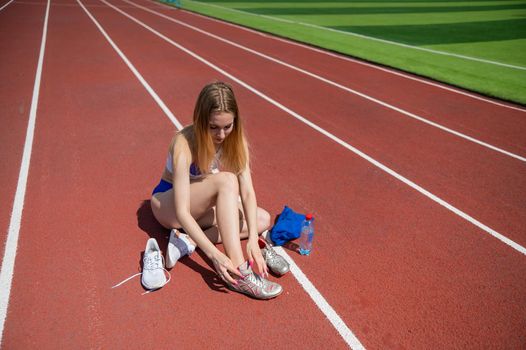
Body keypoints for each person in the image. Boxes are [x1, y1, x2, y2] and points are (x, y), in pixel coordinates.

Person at [150, 81, 287, 299]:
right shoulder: (183, 143)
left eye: (227, 126)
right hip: (169, 205)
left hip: (200, 204)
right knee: (226, 181)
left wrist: (252, 238)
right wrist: (214, 255)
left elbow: (248, 193)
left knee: (261, 219)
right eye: (213, 127)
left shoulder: (234, 139)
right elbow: (183, 211)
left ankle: (188, 242)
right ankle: (240, 272)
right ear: (200, 120)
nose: (221, 135)